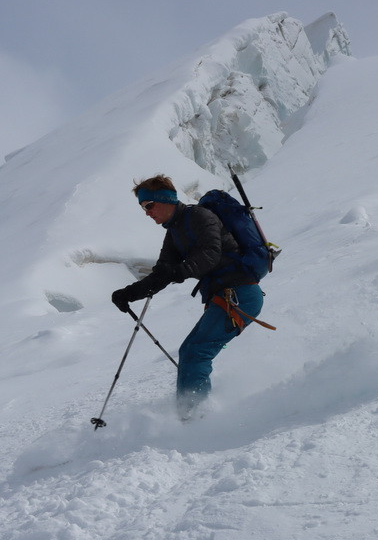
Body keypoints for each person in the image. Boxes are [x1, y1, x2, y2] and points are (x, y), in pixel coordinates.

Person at [111, 174, 264, 419]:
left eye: (148, 205)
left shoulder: (200, 217)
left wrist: (179, 271)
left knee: (195, 352)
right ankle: (194, 415)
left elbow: (210, 254)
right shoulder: (173, 233)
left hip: (240, 293)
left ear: (165, 200)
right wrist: (129, 294)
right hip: (224, 296)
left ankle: (195, 419)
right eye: (142, 207)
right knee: (190, 351)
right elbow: (162, 274)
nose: (146, 212)